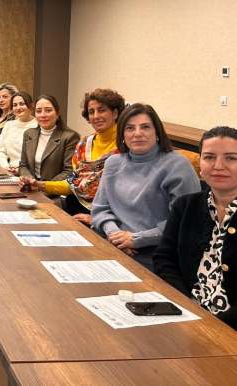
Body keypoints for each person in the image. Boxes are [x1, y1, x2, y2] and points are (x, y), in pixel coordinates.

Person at [91, 103, 201, 271]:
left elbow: (185, 221)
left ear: (157, 132)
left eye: (145, 127)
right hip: (111, 241)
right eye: (130, 128)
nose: (137, 133)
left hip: (155, 251)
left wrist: (137, 239)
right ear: (122, 134)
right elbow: (100, 209)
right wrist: (115, 235)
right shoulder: (113, 163)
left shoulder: (177, 164)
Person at [154, 126, 237, 329]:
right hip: (184, 317)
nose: (218, 166)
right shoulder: (185, 206)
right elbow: (164, 259)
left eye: (231, 158)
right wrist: (185, 309)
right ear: (200, 162)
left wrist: (212, 327)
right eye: (209, 157)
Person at [43, 89, 126, 225]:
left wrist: (97, 219)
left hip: (112, 217)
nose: (96, 116)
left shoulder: (126, 145)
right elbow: (75, 184)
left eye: (102, 110)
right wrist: (41, 185)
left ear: (115, 113)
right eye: (91, 112)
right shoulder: (83, 144)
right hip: (78, 209)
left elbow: (127, 194)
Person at [19, 94, 80, 187]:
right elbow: (23, 165)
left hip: (54, 191)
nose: (43, 115)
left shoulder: (70, 137)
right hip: (31, 189)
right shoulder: (28, 134)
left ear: (58, 113)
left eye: (48, 110)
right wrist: (30, 182)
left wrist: (42, 186)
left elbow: (69, 171)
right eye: (38, 111)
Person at [0, 92, 37, 174]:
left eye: (22, 104)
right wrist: (6, 167)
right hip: (8, 171)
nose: (18, 107)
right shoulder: (9, 125)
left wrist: (20, 171)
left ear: (31, 106)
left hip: (29, 174)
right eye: (15, 105)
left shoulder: (38, 126)